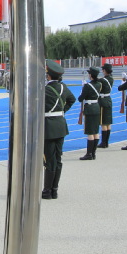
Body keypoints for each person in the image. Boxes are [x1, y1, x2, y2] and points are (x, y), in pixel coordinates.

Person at [43, 60, 75, 198]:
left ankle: (47, 191)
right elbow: (72, 100)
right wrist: (61, 112)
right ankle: (54, 189)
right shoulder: (63, 88)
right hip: (61, 125)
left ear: (48, 75)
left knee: (49, 159)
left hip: (48, 127)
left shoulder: (44, 90)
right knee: (58, 157)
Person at [77, 67, 102, 161]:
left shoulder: (88, 86)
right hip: (96, 107)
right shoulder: (99, 84)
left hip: (90, 108)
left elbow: (80, 98)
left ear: (91, 75)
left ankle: (89, 154)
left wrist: (83, 88)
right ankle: (93, 153)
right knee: (96, 131)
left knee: (90, 132)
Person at [97, 63, 115, 148]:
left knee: (103, 122)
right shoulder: (111, 79)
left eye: (103, 70)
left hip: (102, 100)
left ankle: (103, 142)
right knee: (108, 122)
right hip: (108, 100)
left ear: (105, 71)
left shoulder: (102, 80)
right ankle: (106, 142)